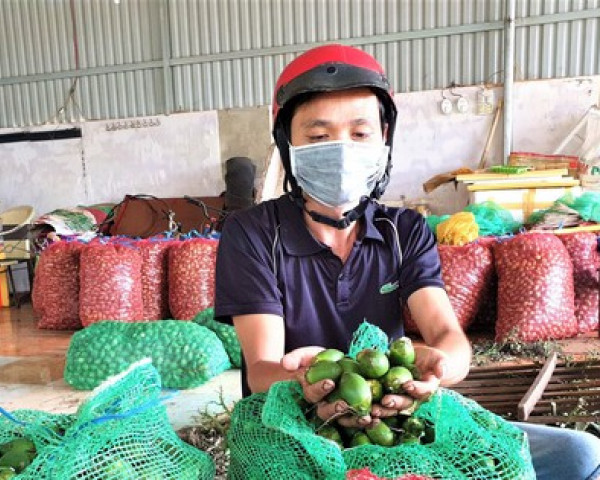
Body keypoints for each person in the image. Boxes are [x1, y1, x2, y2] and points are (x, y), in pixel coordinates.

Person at [215, 44, 600, 479]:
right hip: (294, 432)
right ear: (288, 143)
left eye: (360, 134)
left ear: (383, 139)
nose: (341, 150)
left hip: (396, 420)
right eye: (318, 136)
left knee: (579, 455)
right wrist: (305, 383)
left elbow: (447, 337)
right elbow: (263, 368)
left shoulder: (405, 232)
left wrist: (436, 366)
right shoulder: (252, 233)